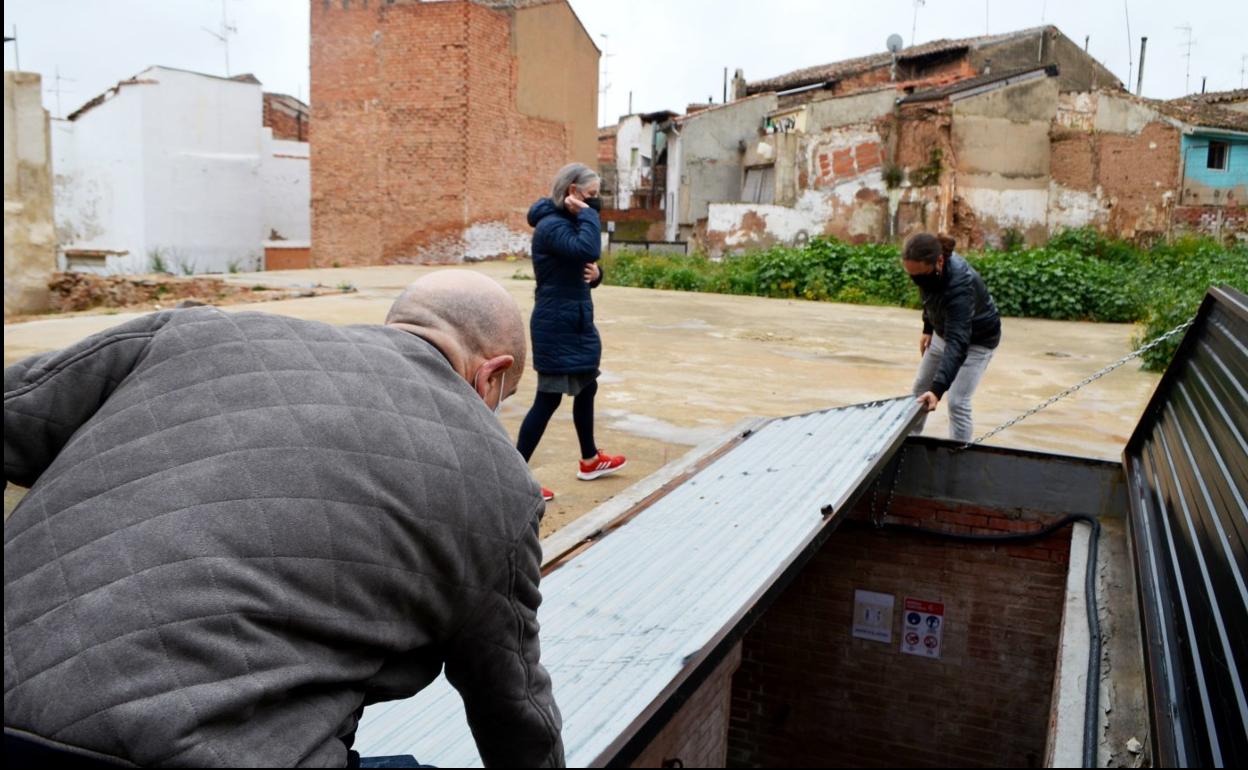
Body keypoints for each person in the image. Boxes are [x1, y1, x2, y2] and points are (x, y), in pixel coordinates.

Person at [3, 271, 564, 768]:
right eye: (504, 397)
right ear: (491, 375)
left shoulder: (192, 333)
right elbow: (513, 706)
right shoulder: (500, 480)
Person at [518, 162, 627, 501]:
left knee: (587, 387)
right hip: (556, 324)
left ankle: (590, 460)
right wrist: (588, 216)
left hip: (574, 319)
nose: (595, 201)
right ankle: (514, 479)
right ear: (572, 191)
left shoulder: (567, 222)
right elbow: (587, 249)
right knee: (548, 399)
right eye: (591, 195)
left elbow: (583, 263)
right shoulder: (551, 225)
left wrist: (597, 276)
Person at [903, 232, 1002, 442]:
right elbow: (930, 297)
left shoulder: (960, 285)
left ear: (939, 262)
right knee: (920, 389)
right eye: (912, 276)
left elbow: (958, 341)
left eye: (920, 276)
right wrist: (928, 327)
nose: (916, 281)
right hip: (943, 332)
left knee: (957, 401)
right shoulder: (929, 272)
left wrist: (937, 390)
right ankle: (909, 442)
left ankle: (958, 452)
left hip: (977, 341)